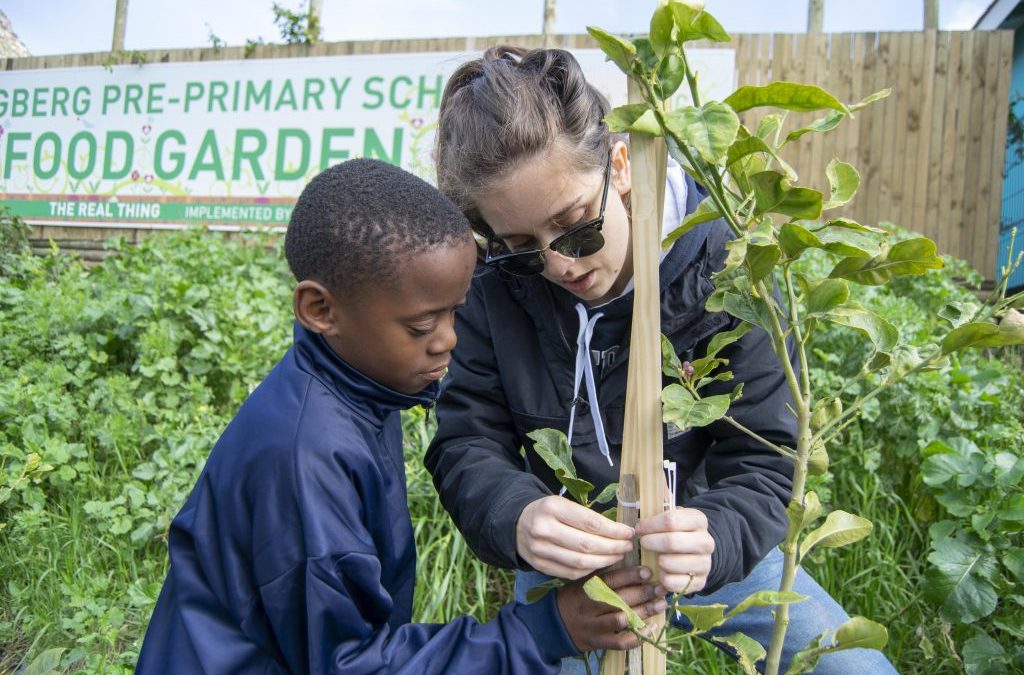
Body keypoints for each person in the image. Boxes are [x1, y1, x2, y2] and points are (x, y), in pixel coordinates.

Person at [426, 46, 897, 673]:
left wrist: (714, 539)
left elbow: (766, 460)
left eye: (575, 228)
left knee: (855, 667)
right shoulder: (492, 286)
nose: (558, 265)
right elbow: (467, 440)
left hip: (702, 542)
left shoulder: (732, 271)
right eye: (521, 248)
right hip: (571, 566)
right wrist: (517, 516)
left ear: (620, 166)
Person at [135, 159, 667, 674]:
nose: (449, 341)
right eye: (421, 326)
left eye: (456, 311)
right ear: (321, 310)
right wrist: (541, 630)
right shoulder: (305, 459)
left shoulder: (354, 387)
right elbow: (348, 664)